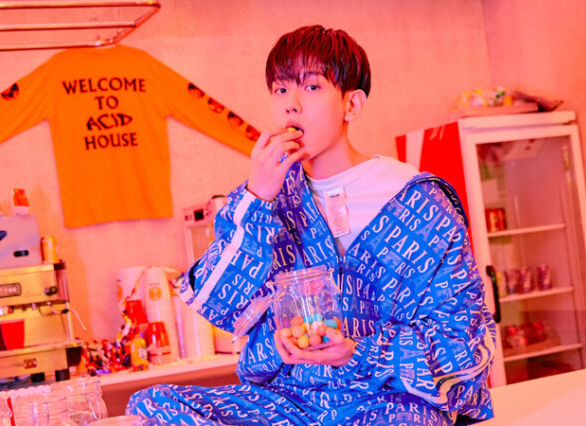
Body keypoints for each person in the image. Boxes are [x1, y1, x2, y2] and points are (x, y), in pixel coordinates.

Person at [126, 25, 496, 425]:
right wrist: (257, 197)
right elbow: (217, 303)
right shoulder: (265, 197)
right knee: (153, 404)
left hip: (386, 403)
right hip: (291, 403)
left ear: (352, 104)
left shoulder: (418, 202)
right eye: (281, 89)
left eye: (312, 87)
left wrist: (356, 352)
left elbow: (463, 344)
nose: (291, 105)